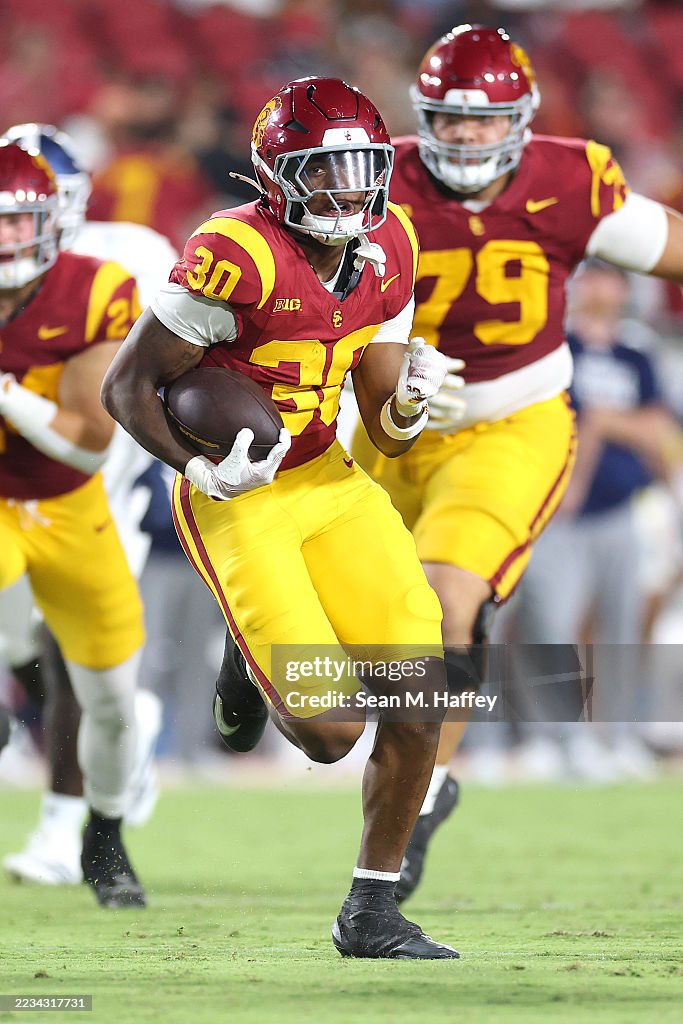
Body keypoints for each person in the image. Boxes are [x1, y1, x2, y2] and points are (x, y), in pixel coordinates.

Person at [102, 77, 464, 960]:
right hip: (240, 495)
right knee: (332, 732)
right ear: (275, 175)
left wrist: (410, 407)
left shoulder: (393, 243)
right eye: (322, 169)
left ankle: (371, 911)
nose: (347, 188)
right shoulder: (236, 251)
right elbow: (127, 387)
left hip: (329, 479)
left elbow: (380, 417)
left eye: (359, 167)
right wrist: (197, 466)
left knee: (424, 696)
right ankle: (244, 660)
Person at [351, 24, 683, 900]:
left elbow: (667, 243)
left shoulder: (570, 177)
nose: (463, 137)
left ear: (521, 120)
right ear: (422, 119)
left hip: (509, 424)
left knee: (441, 605)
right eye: (447, 122)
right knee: (334, 637)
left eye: (483, 120)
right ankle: (395, 757)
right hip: (385, 420)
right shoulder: (375, 179)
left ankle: (411, 808)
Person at [0, 124, 177, 888]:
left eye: (23, 216)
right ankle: (58, 817)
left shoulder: (114, 269)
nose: (11, 237)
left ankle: (93, 829)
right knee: (22, 650)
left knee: (97, 687)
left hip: (94, 496)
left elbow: (92, 438)